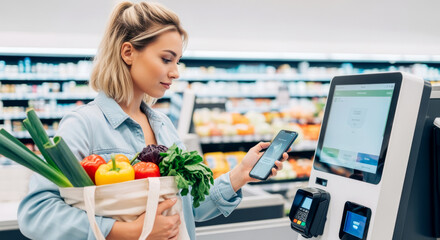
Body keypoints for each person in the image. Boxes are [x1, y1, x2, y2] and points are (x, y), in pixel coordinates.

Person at [17, 2, 288, 240]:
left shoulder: (164, 126)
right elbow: (36, 213)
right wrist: (126, 232)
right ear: (128, 53)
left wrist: (240, 174)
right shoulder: (83, 125)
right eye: (166, 59)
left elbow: (189, 209)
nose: (176, 72)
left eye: (178, 61)